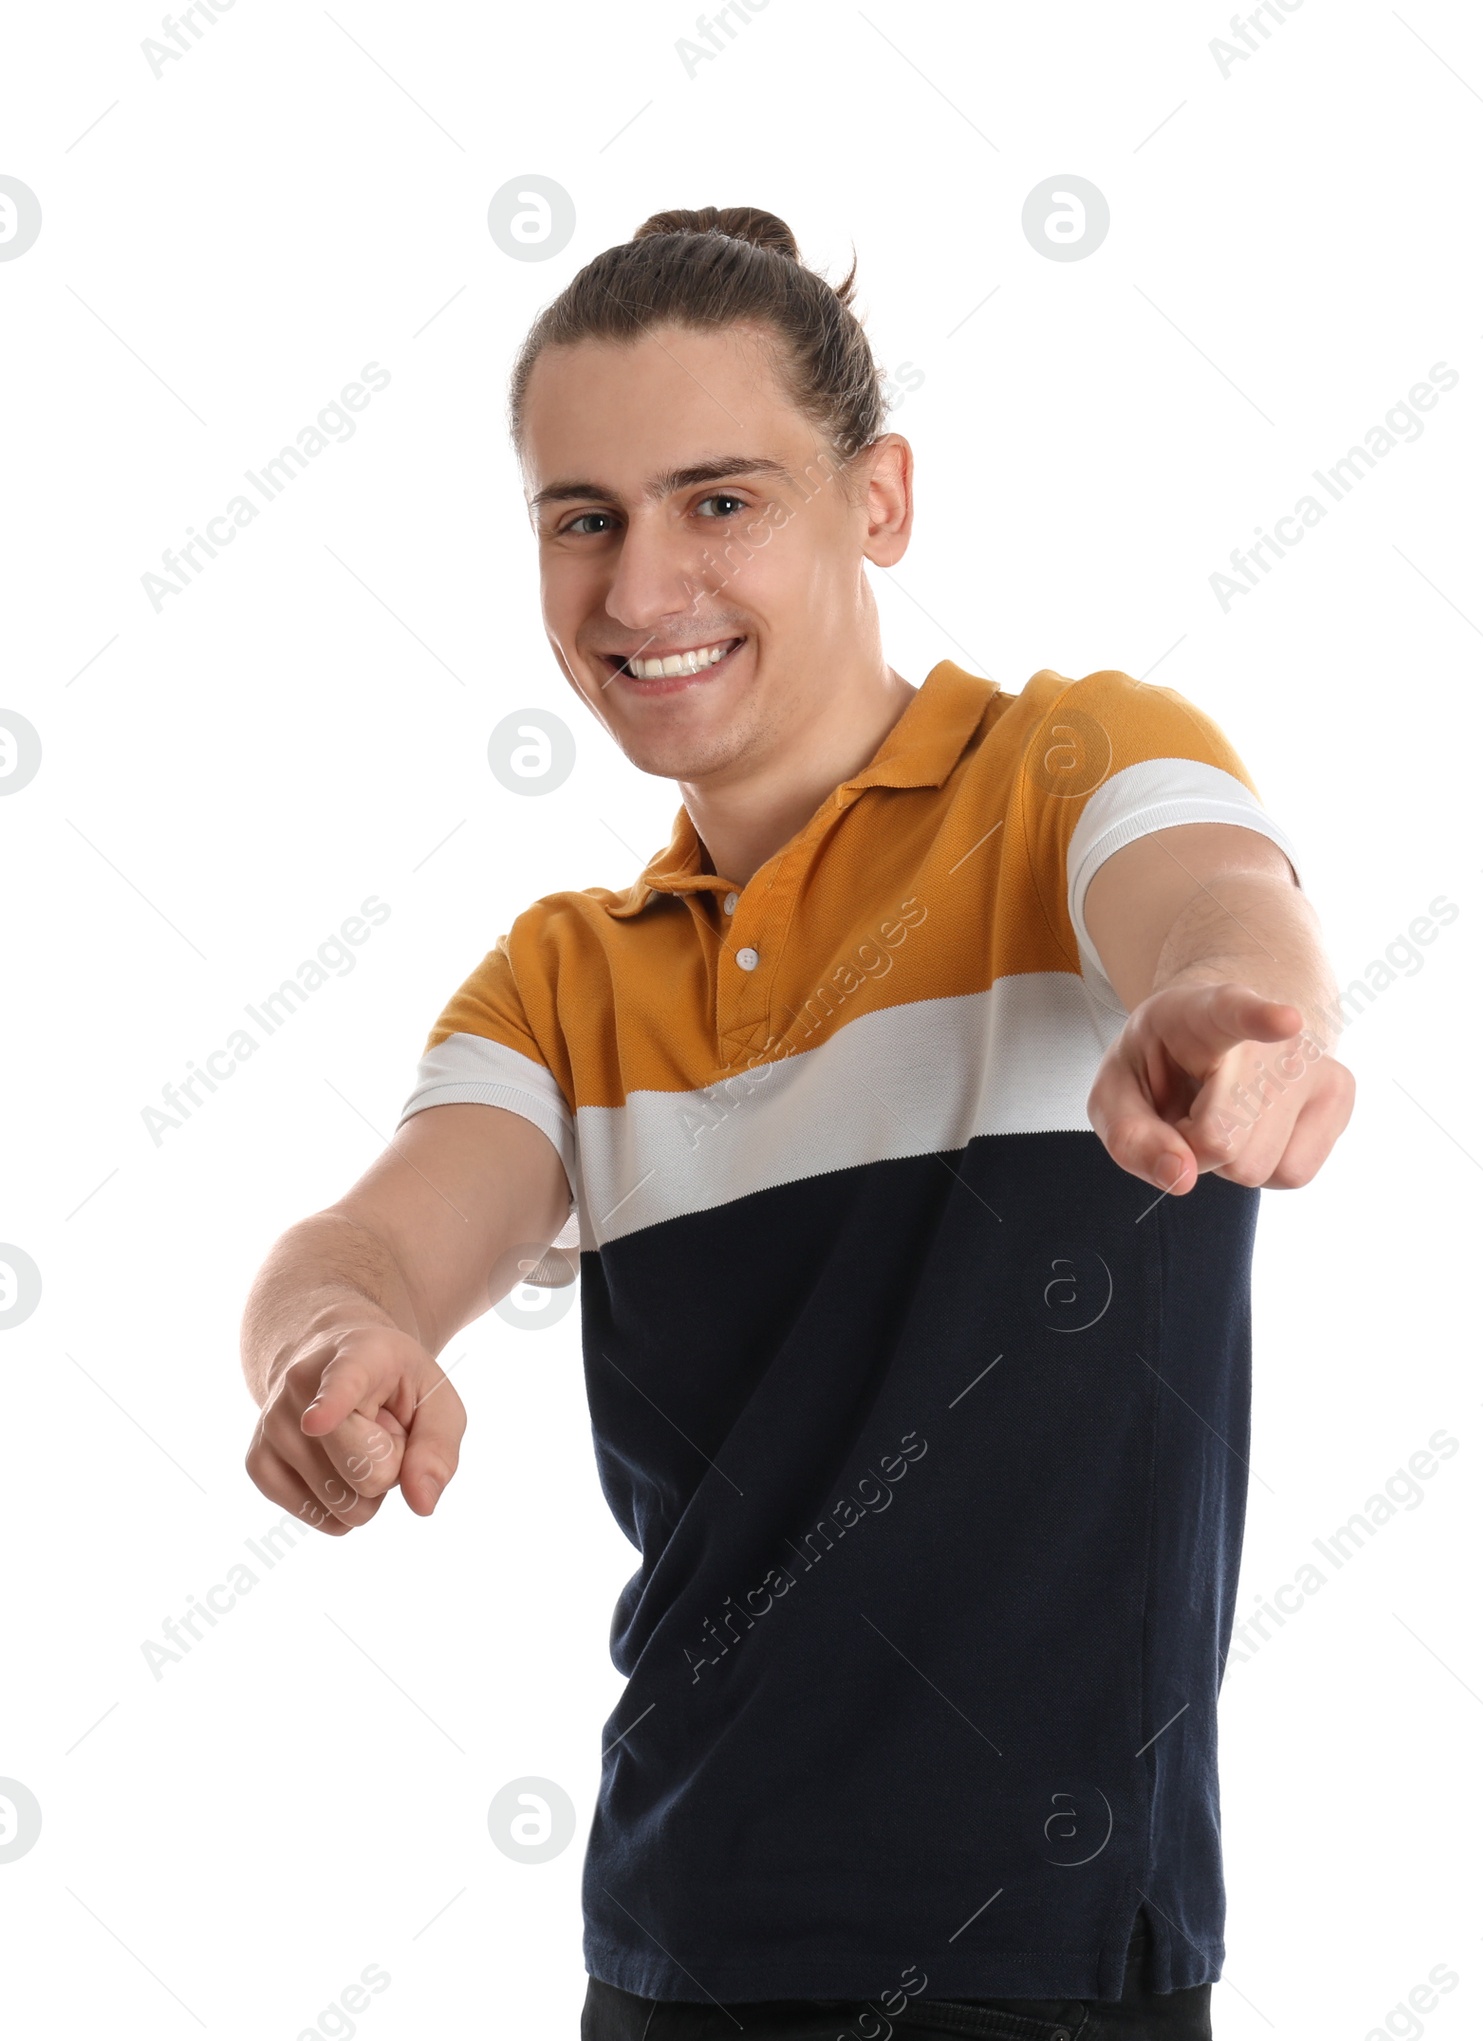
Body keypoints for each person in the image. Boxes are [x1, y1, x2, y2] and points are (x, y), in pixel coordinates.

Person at [241, 205, 1355, 2040]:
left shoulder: (1065, 765)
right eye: (581, 518)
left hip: (1054, 1966)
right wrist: (331, 1343)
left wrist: (1225, 1012)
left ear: (880, 501)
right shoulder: (564, 978)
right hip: (673, 1962)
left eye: (720, 500)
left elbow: (1216, 900)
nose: (639, 585)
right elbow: (367, 1243)